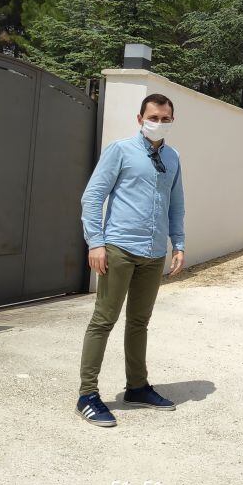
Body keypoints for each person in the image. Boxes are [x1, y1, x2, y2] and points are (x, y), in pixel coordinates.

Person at [75, 93, 186, 428]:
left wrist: (177, 244)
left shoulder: (173, 157)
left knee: (139, 322)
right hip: (118, 249)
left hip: (153, 254)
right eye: (154, 117)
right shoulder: (120, 150)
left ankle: (137, 386)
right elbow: (93, 196)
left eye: (165, 119)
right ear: (140, 119)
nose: (159, 123)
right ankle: (87, 395)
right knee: (103, 320)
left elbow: (175, 204)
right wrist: (96, 243)